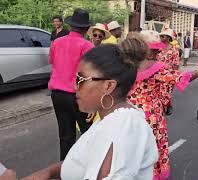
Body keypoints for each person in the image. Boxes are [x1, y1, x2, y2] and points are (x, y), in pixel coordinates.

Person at [23, 40, 159, 180]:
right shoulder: (112, 117)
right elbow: (84, 161)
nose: (74, 86)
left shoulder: (123, 126)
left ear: (108, 86)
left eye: (81, 79)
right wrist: (49, 172)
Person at [127, 31, 198, 180]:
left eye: (158, 49)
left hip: (128, 113)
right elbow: (181, 77)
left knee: (132, 147)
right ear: (142, 49)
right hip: (151, 116)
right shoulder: (156, 67)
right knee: (151, 147)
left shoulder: (126, 63)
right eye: (154, 49)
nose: (158, 52)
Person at [48, 9, 93, 161]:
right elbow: (89, 74)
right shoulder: (87, 46)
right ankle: (88, 168)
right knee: (89, 134)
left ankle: (65, 171)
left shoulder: (57, 42)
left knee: (65, 135)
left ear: (71, 26)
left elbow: (53, 62)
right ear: (86, 29)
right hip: (77, 96)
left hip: (57, 95)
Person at [158, 28, 180, 115]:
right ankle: (161, 108)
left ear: (168, 38)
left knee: (167, 93)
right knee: (159, 93)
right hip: (157, 74)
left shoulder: (174, 50)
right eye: (161, 36)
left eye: (163, 36)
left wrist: (174, 77)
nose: (161, 38)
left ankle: (168, 105)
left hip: (169, 75)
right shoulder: (157, 48)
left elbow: (176, 65)